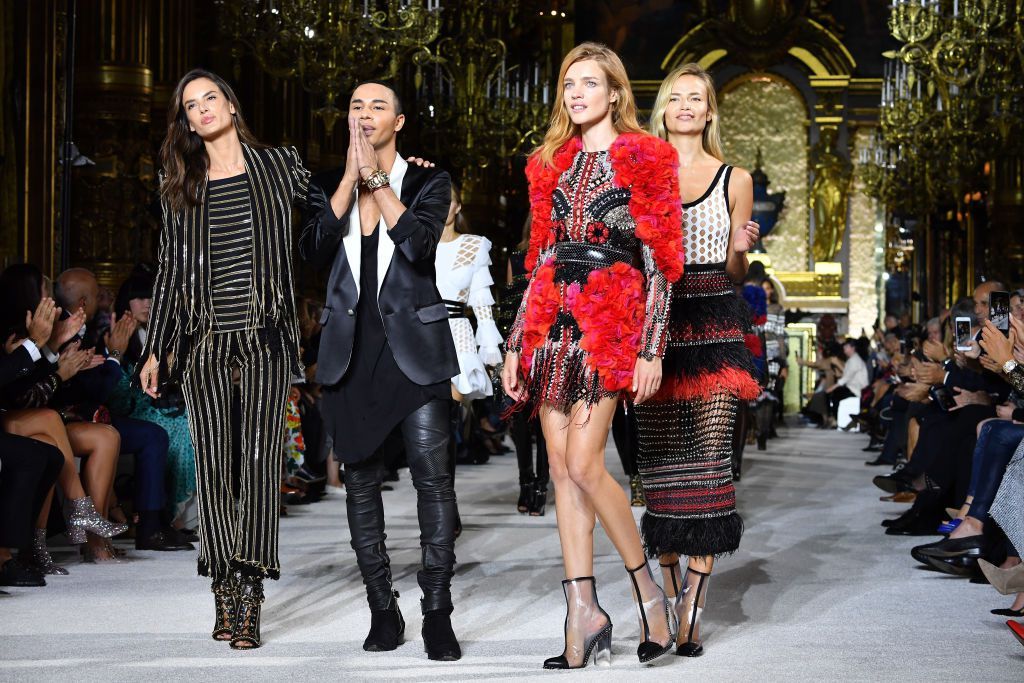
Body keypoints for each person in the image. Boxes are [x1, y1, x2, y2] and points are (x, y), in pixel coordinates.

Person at [502, 42, 683, 669]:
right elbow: (539, 257)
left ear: (614, 92)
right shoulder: (549, 161)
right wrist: (514, 345)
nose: (576, 93)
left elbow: (661, 257)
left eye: (589, 83)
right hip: (551, 316)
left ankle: (648, 592)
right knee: (558, 470)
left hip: (613, 315)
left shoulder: (648, 156)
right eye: (569, 84)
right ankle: (582, 614)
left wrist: (651, 346)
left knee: (584, 462)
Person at [139, 68, 311, 649]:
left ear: (231, 106)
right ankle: (224, 589)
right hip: (206, 342)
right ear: (186, 121)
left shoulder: (279, 166)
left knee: (259, 466)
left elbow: (326, 220)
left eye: (210, 97)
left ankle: (252, 592)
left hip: (263, 336)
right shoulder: (181, 183)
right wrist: (158, 346)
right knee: (217, 469)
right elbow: (168, 273)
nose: (203, 109)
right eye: (191, 105)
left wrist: (383, 174)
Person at [300, 80, 462, 661]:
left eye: (377, 107)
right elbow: (312, 251)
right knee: (360, 483)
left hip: (414, 350)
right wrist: (349, 179)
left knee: (431, 476)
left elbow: (419, 247)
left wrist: (378, 182)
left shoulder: (427, 180)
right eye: (355, 106)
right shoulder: (325, 185)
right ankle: (382, 609)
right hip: (348, 351)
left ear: (399, 122)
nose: (364, 114)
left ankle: (437, 611)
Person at [633, 62, 761, 657]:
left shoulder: (735, 177)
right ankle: (665, 589)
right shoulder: (638, 170)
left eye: (697, 98)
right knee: (658, 466)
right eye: (676, 97)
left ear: (710, 111)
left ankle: (695, 604)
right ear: (663, 108)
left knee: (709, 460)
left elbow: (737, 271)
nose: (686, 106)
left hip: (713, 314)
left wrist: (741, 250)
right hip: (654, 321)